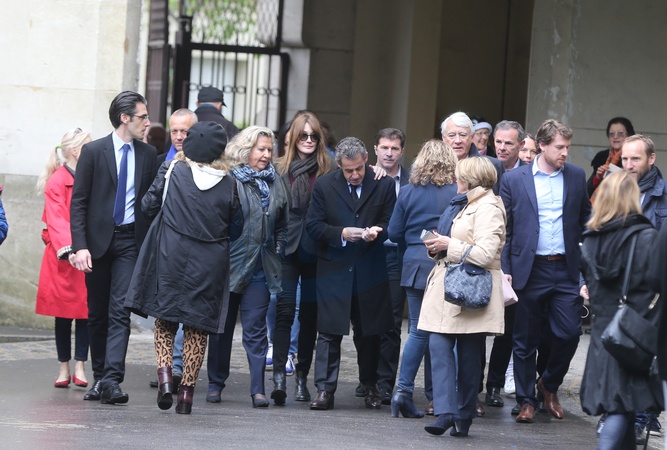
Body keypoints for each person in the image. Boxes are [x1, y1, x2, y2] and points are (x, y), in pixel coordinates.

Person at [125, 121, 242, 414]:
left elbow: (148, 206)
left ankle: (166, 378)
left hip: (170, 254)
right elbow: (237, 227)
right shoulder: (230, 184)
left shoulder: (172, 170)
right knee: (197, 328)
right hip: (209, 262)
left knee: (165, 320)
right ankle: (187, 394)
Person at [500, 119, 591, 423]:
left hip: (565, 268)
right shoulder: (514, 179)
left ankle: (548, 384)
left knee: (569, 333)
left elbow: (586, 221)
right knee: (524, 339)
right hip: (529, 268)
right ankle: (526, 400)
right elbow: (507, 229)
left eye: (567, 147)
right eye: (559, 147)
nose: (565, 152)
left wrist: (585, 272)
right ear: (542, 145)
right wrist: (506, 268)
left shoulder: (576, 176)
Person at [70, 91, 158, 404]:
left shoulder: (148, 154)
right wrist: (79, 246)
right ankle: (99, 378)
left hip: (129, 242)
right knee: (97, 313)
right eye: (143, 117)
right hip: (96, 244)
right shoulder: (94, 151)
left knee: (121, 311)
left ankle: (111, 380)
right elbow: (79, 202)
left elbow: (150, 204)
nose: (147, 122)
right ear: (125, 118)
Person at [419, 156, 506, 438]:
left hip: (471, 288)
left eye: (458, 176)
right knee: (438, 344)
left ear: (470, 179)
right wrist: (437, 246)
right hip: (447, 286)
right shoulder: (462, 203)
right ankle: (446, 412)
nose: (455, 180)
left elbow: (485, 254)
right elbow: (456, 244)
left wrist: (450, 244)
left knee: (469, 357)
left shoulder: (489, 206)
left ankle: (464, 414)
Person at [306, 137, 396, 411]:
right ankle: (324, 390)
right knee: (328, 331)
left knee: (370, 332)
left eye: (358, 168)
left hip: (369, 268)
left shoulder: (383, 184)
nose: (355, 175)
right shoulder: (324, 185)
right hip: (334, 268)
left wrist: (377, 232)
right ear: (339, 166)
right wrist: (342, 234)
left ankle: (370, 385)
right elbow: (313, 225)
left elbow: (390, 222)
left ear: (366, 159)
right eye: (348, 171)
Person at [206, 126, 289, 408]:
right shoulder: (229, 179)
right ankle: (216, 383)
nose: (266, 155)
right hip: (229, 266)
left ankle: (258, 390)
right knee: (221, 329)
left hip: (260, 268)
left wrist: (278, 249)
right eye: (260, 149)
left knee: (256, 331)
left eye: (269, 150)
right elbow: (217, 223)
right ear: (246, 150)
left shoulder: (276, 181)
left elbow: (282, 224)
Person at [579, 170, 663, 449]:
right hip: (633, 332)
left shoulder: (590, 239)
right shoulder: (646, 237)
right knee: (620, 405)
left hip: (603, 332)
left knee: (621, 405)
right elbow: (655, 285)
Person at [387, 139, 458, 418]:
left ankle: (402, 392)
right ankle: (445, 397)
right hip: (444, 266)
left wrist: (418, 238)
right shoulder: (456, 192)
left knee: (417, 331)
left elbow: (393, 233)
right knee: (447, 331)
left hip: (414, 266)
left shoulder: (407, 192)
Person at [271, 111, 334, 404]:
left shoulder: (328, 169)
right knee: (284, 311)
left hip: (317, 248)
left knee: (309, 317)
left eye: (314, 136)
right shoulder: (278, 168)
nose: (308, 141)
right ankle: (278, 378)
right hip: (286, 247)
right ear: (293, 138)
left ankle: (301, 378)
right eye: (303, 136)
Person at [35, 128, 92, 389]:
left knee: (85, 312)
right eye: (88, 146)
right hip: (64, 257)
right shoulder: (57, 180)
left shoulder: (91, 175)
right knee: (63, 315)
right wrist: (71, 250)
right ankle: (64, 367)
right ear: (75, 151)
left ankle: (80, 365)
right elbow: (57, 219)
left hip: (86, 251)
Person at [147, 108, 198, 390]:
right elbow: (148, 206)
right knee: (165, 312)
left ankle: (179, 369)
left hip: (195, 251)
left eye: (184, 131)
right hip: (165, 248)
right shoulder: (159, 163)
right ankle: (168, 370)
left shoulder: (207, 167)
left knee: (189, 312)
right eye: (174, 131)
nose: (179, 137)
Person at [368, 127, 409, 404]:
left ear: (402, 151)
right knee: (366, 318)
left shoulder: (412, 180)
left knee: (392, 321)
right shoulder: (365, 176)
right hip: (369, 253)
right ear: (376, 149)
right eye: (384, 147)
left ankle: (385, 382)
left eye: (394, 148)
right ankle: (367, 379)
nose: (389, 153)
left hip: (397, 254)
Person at [441, 112, 504, 194]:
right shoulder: (432, 167)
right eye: (451, 135)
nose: (457, 141)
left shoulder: (492, 166)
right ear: (443, 138)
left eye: (463, 135)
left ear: (472, 137)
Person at [586, 117, 635, 201]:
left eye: (620, 134)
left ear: (629, 135)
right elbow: (587, 192)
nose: (615, 137)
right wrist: (597, 178)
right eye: (612, 134)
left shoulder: (634, 157)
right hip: (599, 205)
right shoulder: (602, 157)